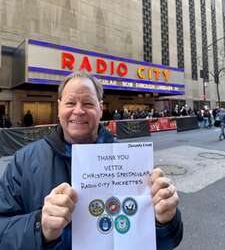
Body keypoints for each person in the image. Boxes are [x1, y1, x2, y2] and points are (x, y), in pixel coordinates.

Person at [0, 72, 183, 249]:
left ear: (100, 108)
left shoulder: (131, 162)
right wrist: (40, 227)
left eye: (87, 103)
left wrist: (164, 222)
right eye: (70, 102)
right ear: (59, 108)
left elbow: (161, 242)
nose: (78, 111)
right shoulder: (23, 162)